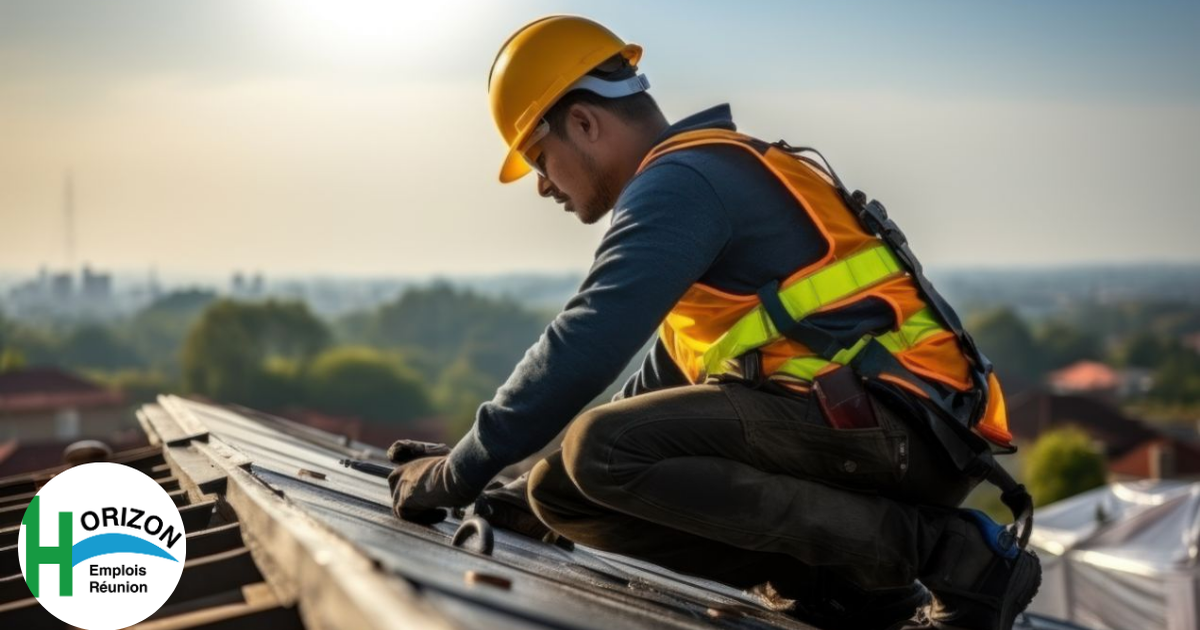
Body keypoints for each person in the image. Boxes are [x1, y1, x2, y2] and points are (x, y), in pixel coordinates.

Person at [388, 15, 1041, 630]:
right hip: (884, 431)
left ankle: (955, 559)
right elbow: (650, 399)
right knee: (563, 491)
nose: (541, 186)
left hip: (900, 429)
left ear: (583, 123)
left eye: (537, 159)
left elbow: (584, 343)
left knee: (602, 451)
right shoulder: (704, 184)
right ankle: (841, 587)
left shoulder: (683, 183)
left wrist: (457, 474)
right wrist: (510, 485)